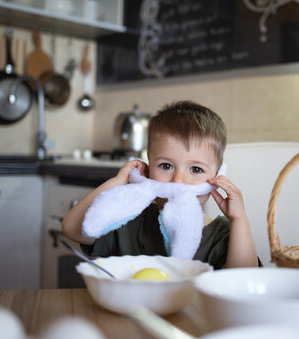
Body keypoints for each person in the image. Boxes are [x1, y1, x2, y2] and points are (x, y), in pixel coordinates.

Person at [62, 101, 258, 269]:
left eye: (196, 169)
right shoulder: (128, 220)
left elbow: (244, 279)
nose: (178, 180)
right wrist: (118, 182)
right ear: (147, 171)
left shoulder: (222, 235)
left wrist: (238, 219)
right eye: (166, 166)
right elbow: (72, 229)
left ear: (217, 177)